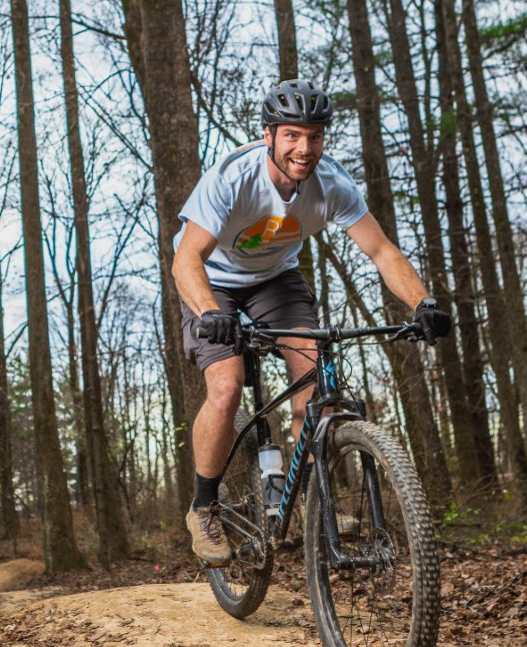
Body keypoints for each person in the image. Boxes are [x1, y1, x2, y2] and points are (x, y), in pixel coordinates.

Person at [172, 79, 451, 565]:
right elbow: (185, 260)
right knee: (226, 385)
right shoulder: (232, 178)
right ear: (269, 136)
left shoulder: (332, 185)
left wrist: (423, 303)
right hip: (211, 281)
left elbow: (381, 250)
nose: (305, 148)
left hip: (276, 280)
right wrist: (213, 314)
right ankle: (203, 505)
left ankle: (308, 501)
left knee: (314, 381)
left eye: (315, 136)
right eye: (293, 136)